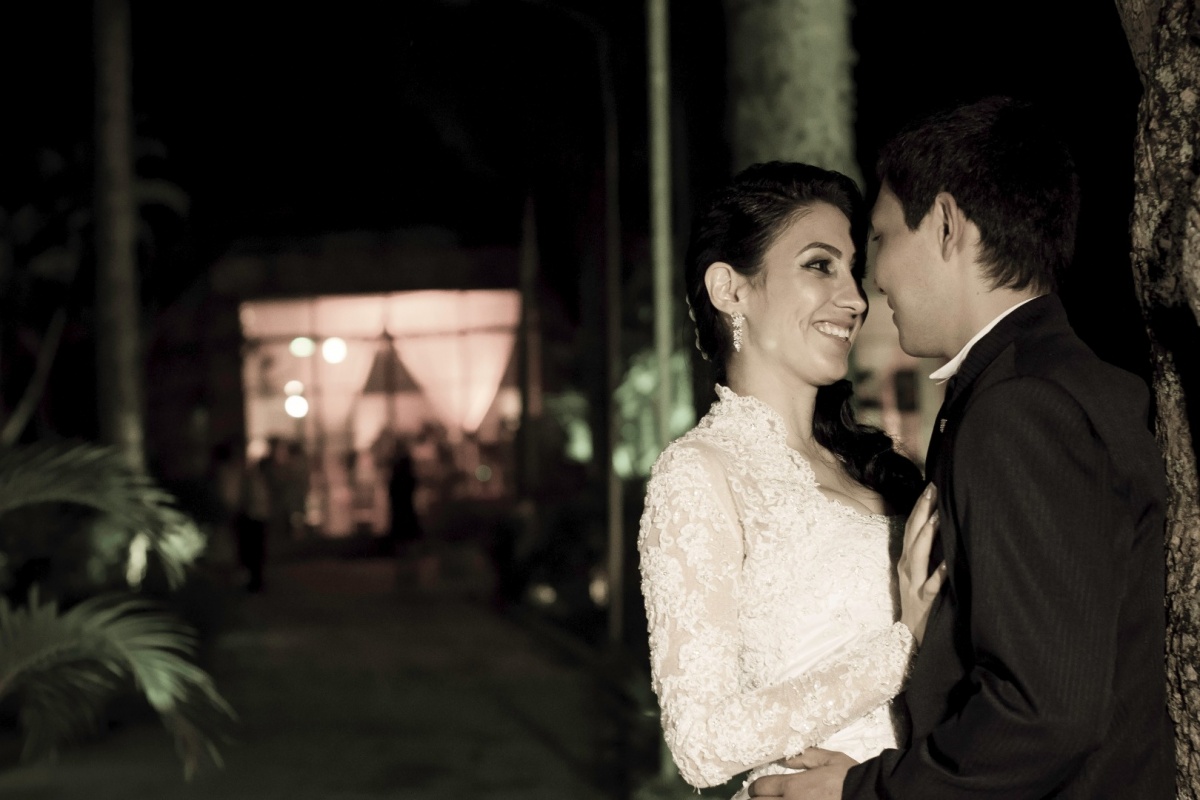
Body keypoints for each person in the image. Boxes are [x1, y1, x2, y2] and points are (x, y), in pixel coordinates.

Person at [749, 97, 1176, 798]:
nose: (873, 282)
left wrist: (866, 792)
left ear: (947, 225)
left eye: (881, 239)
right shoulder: (1074, 382)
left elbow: (1046, 714)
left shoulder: (1021, 409)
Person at [638, 161, 946, 799]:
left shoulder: (877, 470)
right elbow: (701, 744)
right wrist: (901, 648)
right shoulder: (700, 474)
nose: (856, 299)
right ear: (730, 289)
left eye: (852, 271)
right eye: (818, 264)